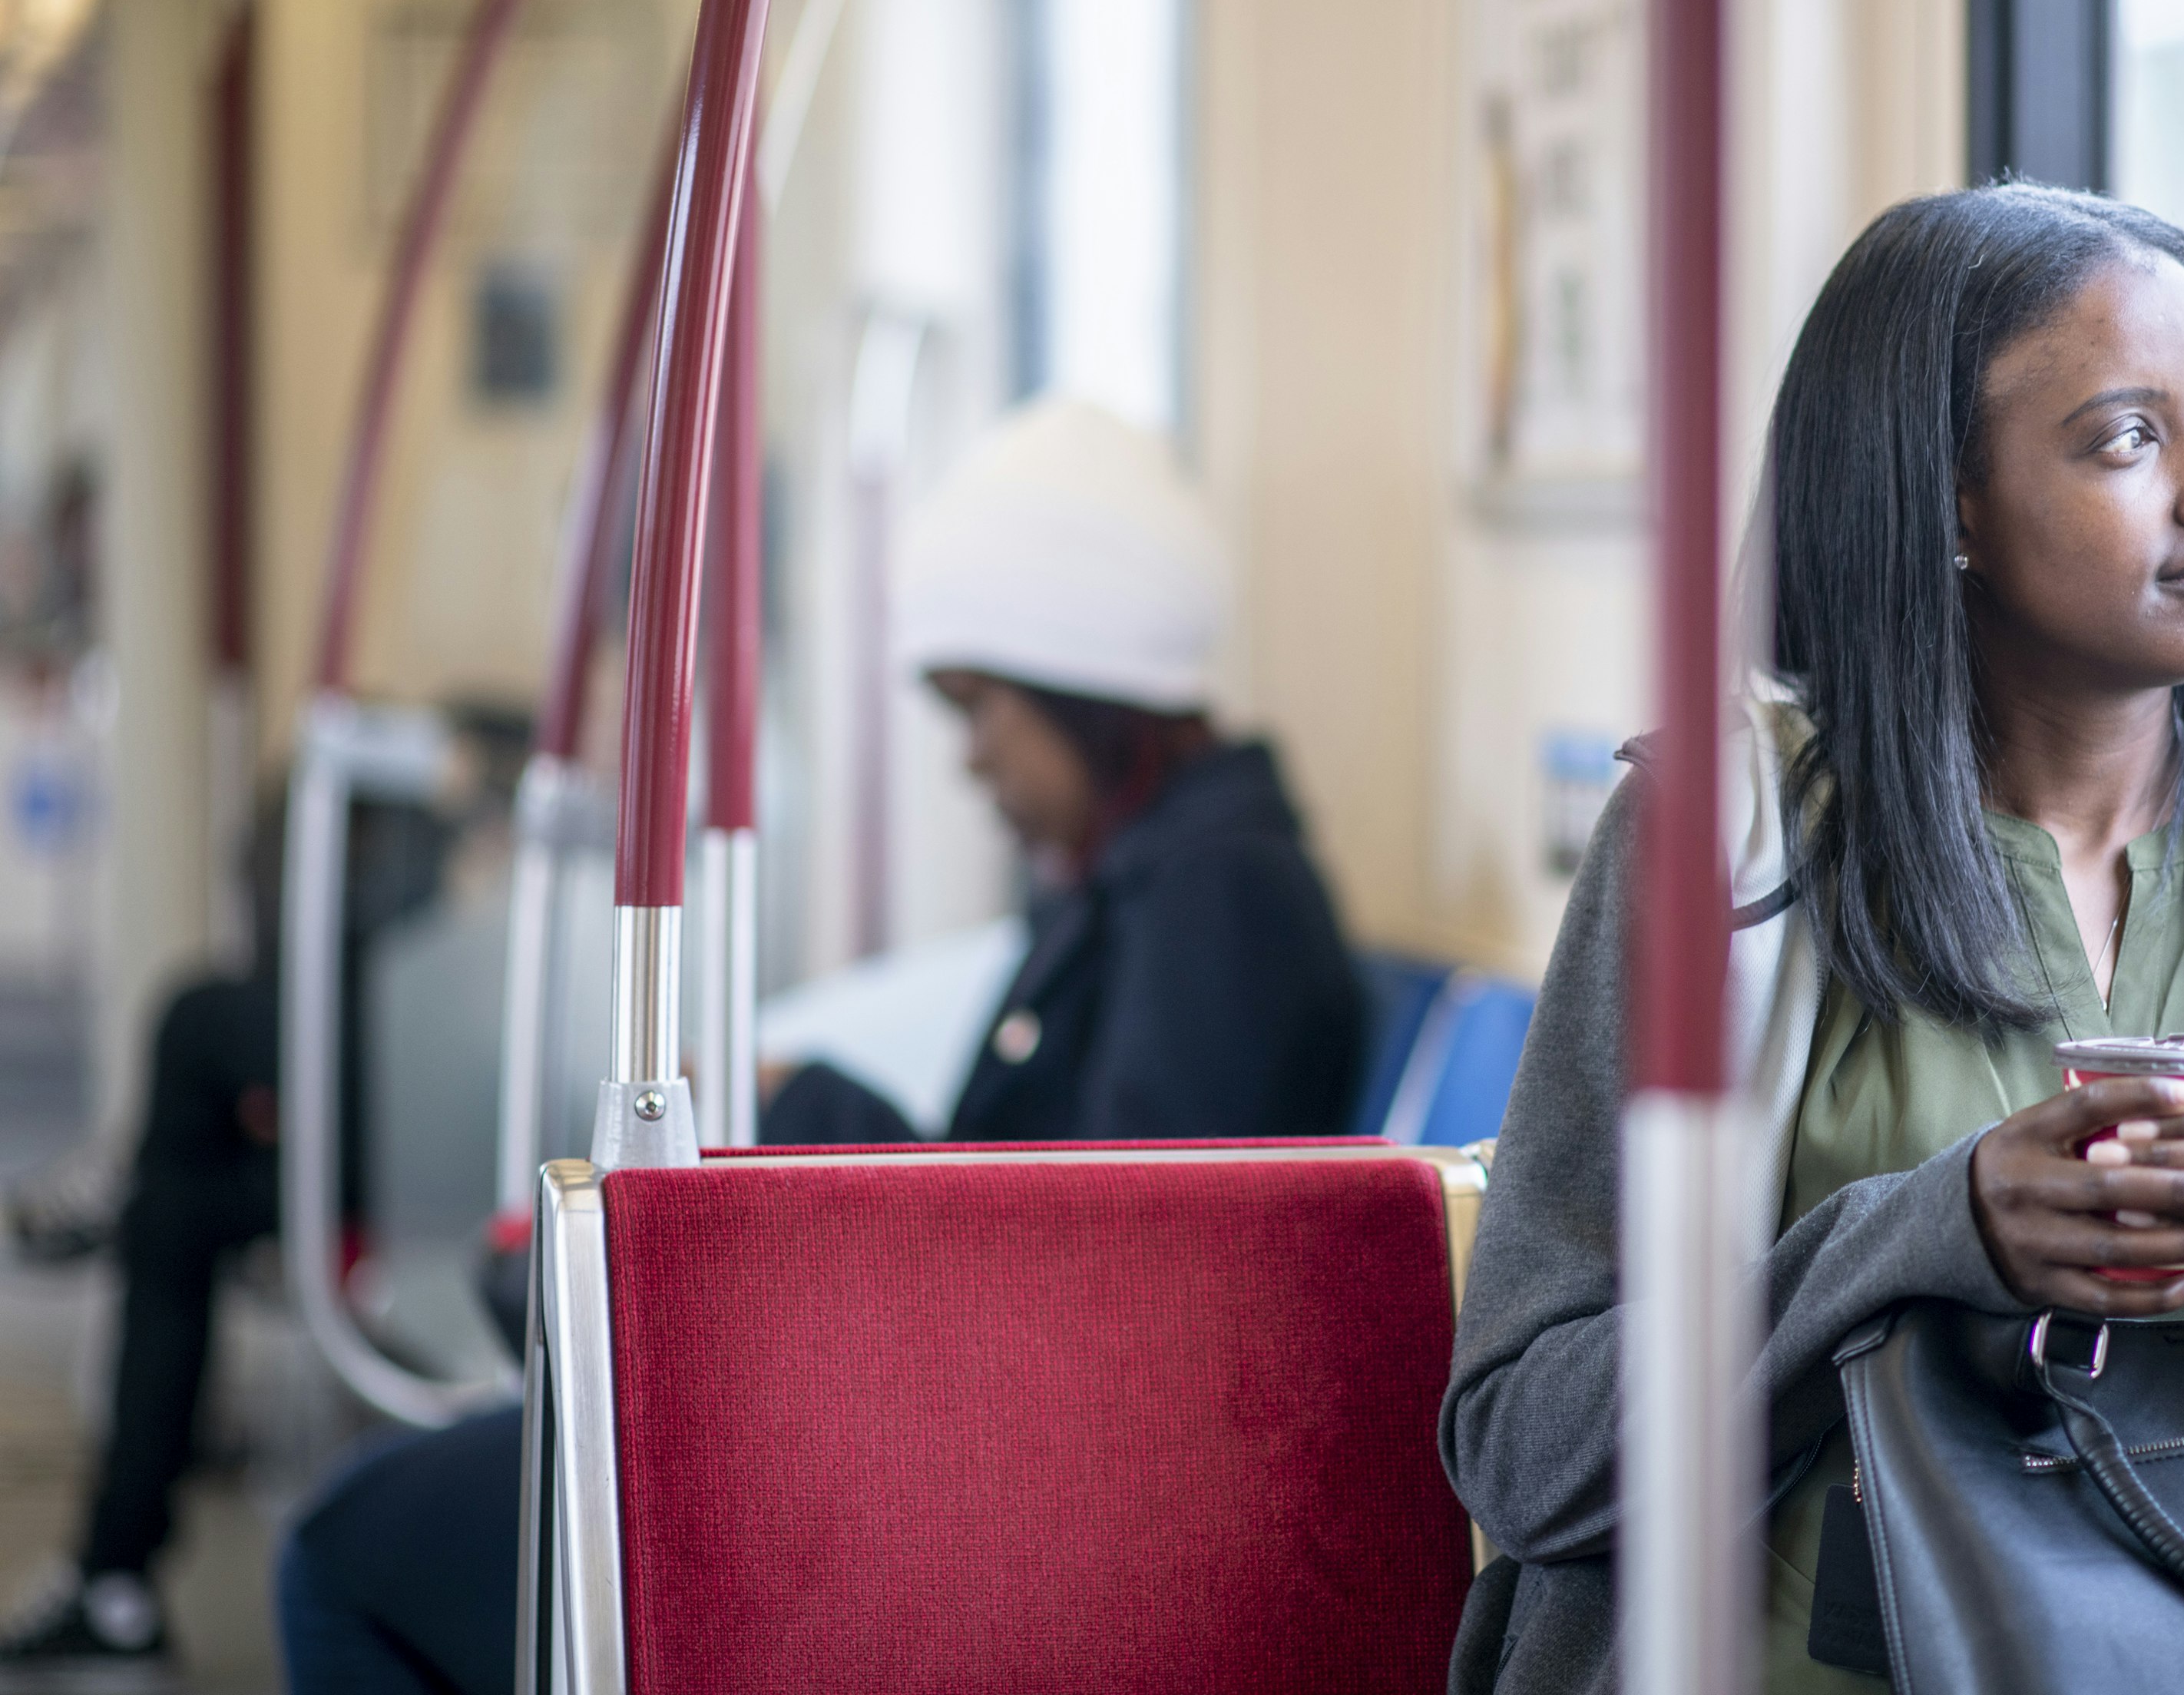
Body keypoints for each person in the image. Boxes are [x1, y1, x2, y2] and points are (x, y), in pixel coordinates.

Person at [1438, 184, 2184, 1693]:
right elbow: (1522, 1442)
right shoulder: (1723, 843)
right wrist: (1918, 1235)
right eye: (2127, 438)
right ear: (1946, 499)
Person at [272, 396, 1369, 1695]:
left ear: (1088, 697)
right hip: (957, 1418)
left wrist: (817, 1118)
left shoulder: (1216, 909)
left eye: (982, 710)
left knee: (344, 1551)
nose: (971, 763)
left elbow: (1113, 1278)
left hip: (995, 1487)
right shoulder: (1146, 882)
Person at [0, 792, 451, 1690]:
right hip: (421, 1101)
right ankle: (114, 1579)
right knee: (177, 1213)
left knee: (194, 1041)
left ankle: (116, 1577)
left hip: (448, 1129)